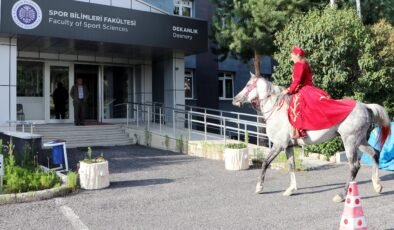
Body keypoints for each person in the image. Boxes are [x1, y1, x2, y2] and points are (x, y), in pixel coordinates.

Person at [282, 47, 356, 138]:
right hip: (309, 88)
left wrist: (288, 90)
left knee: (293, 105)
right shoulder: (304, 63)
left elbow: (297, 80)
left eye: (292, 56)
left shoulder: (299, 64)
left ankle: (299, 131)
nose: (291, 58)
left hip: (303, 90)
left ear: (297, 55)